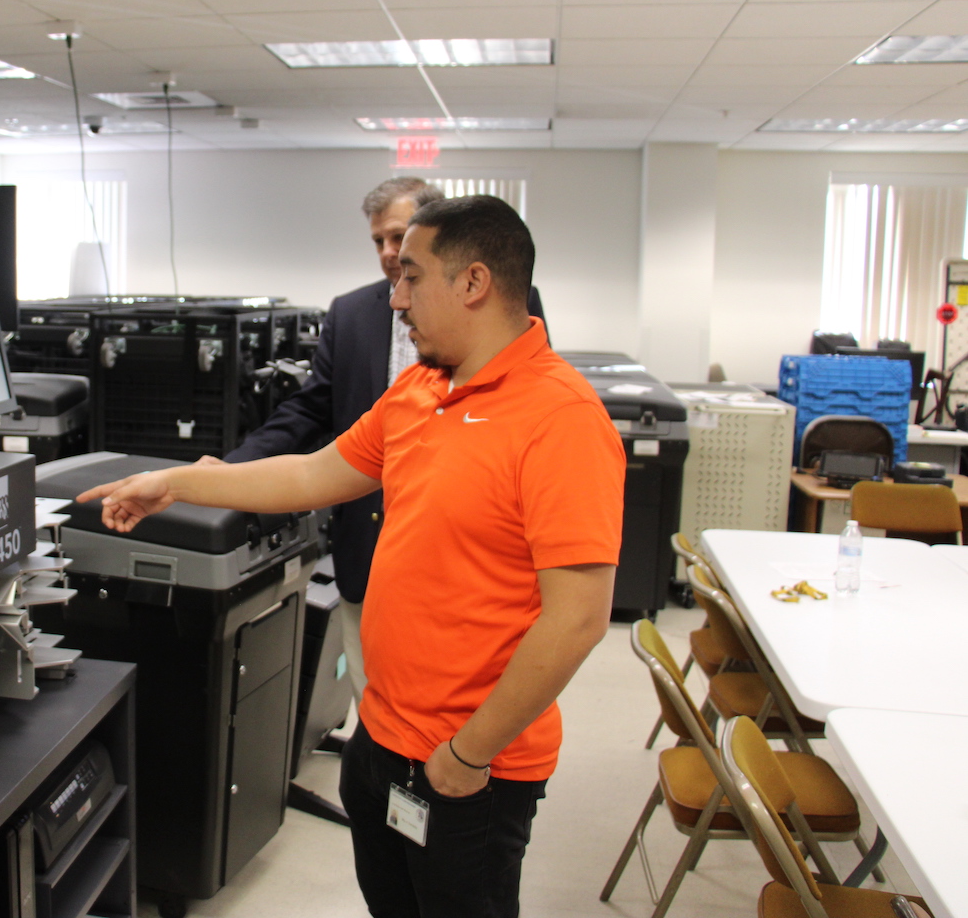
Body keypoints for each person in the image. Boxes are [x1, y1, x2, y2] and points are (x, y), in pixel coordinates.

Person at [77, 195, 623, 918]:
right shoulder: (421, 390)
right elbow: (311, 472)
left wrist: (465, 755)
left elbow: (578, 619)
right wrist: (175, 483)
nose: (396, 300)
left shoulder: (561, 419)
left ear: (473, 283)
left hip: (469, 767)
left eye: (412, 278)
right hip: (381, 740)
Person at [223, 177, 547, 707]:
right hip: (367, 543)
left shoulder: (508, 311)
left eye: (399, 237)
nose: (389, 253)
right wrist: (232, 469)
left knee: (455, 709)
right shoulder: (351, 313)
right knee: (376, 707)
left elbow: (521, 404)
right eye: (378, 241)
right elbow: (310, 413)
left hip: (462, 557)